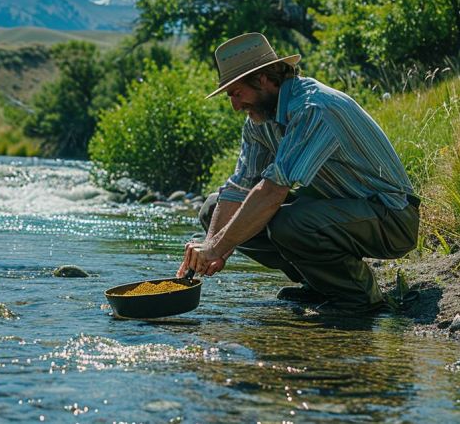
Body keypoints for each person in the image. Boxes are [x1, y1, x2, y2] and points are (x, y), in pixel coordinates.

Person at [178, 32, 420, 314]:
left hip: (392, 218)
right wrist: (210, 246)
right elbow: (238, 188)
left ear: (264, 80)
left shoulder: (313, 108)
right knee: (212, 211)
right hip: (336, 211)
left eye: (236, 93)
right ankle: (319, 283)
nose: (234, 105)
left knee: (290, 224)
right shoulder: (260, 121)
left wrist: (218, 248)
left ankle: (359, 297)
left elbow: (272, 192)